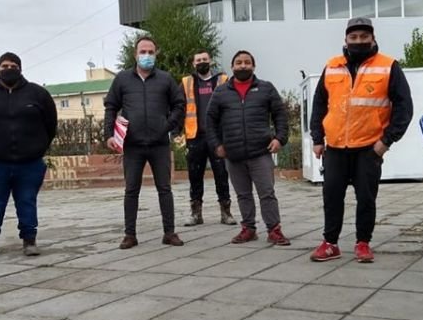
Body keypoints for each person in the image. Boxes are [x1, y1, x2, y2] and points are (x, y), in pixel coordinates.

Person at [309, 17, 413, 263]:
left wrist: (386, 142)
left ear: (373, 38)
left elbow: (404, 108)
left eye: (364, 37)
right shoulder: (332, 66)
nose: (358, 41)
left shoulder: (388, 66)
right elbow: (319, 105)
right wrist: (317, 138)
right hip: (335, 147)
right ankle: (330, 243)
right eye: (353, 37)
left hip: (369, 147)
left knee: (366, 198)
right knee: (332, 196)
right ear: (345, 40)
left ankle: (363, 242)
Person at [0, 52, 57, 259]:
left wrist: (38, 147)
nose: (9, 69)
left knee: (27, 201)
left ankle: (29, 240)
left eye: (13, 66)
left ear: (20, 68)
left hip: (29, 162)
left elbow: (51, 125)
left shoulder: (37, 94)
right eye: (5, 66)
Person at [104, 35, 186, 249]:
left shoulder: (166, 79)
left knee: (164, 189)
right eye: (143, 52)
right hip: (132, 145)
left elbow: (179, 104)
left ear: (156, 53)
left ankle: (169, 233)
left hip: (159, 144)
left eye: (150, 52)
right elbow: (111, 106)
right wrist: (109, 135)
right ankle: (129, 235)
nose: (146, 55)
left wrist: (167, 126)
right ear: (135, 54)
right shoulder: (122, 79)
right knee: (131, 190)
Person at [205, 50, 290, 245]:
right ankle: (248, 229)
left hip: (260, 152)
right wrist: (216, 144)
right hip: (233, 154)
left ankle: (274, 230)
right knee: (243, 194)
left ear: (253, 66)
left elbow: (280, 115)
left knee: (267, 193)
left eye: (247, 62)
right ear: (232, 66)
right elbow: (210, 120)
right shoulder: (221, 92)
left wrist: (279, 139)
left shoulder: (266, 88)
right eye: (239, 62)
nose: (243, 65)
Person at [179, 50, 236, 226]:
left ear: (210, 61)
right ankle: (196, 214)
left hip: (218, 137)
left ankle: (226, 213)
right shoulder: (186, 83)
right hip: (195, 136)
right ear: (193, 64)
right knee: (195, 175)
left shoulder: (223, 80)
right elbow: (179, 107)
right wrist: (176, 132)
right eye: (198, 60)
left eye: (205, 59)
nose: (202, 62)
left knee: (221, 174)